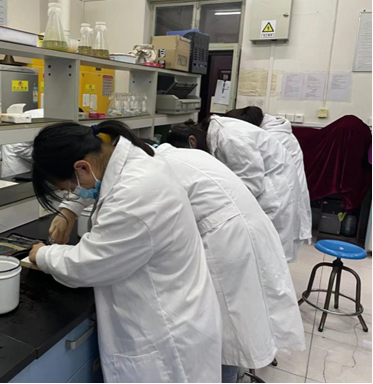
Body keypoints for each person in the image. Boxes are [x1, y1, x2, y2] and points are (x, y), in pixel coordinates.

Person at [53, 127, 306, 383]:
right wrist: (70, 209)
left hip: (226, 245)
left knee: (227, 339)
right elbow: (97, 178)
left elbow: (99, 247)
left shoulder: (145, 173)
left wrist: (54, 243)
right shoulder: (149, 157)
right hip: (239, 231)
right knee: (225, 336)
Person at [28, 121, 223, 383]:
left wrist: (41, 255)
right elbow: (97, 181)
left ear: (82, 167)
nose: (73, 193)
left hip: (167, 332)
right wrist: (69, 210)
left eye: (69, 188)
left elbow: (87, 264)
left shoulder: (133, 196)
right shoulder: (128, 154)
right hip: (177, 300)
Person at [168, 116, 302, 262]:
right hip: (268, 186)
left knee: (266, 254)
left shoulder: (229, 138)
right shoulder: (217, 135)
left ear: (192, 141)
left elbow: (251, 183)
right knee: (261, 255)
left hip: (273, 193)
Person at [225, 107, 313, 260]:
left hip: (280, 196)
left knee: (270, 253)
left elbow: (252, 175)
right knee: (272, 254)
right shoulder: (275, 130)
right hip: (284, 193)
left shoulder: (271, 136)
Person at [1, 109, 44, 177]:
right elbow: (19, 148)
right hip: (18, 164)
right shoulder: (37, 117)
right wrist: (46, 157)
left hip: (32, 162)